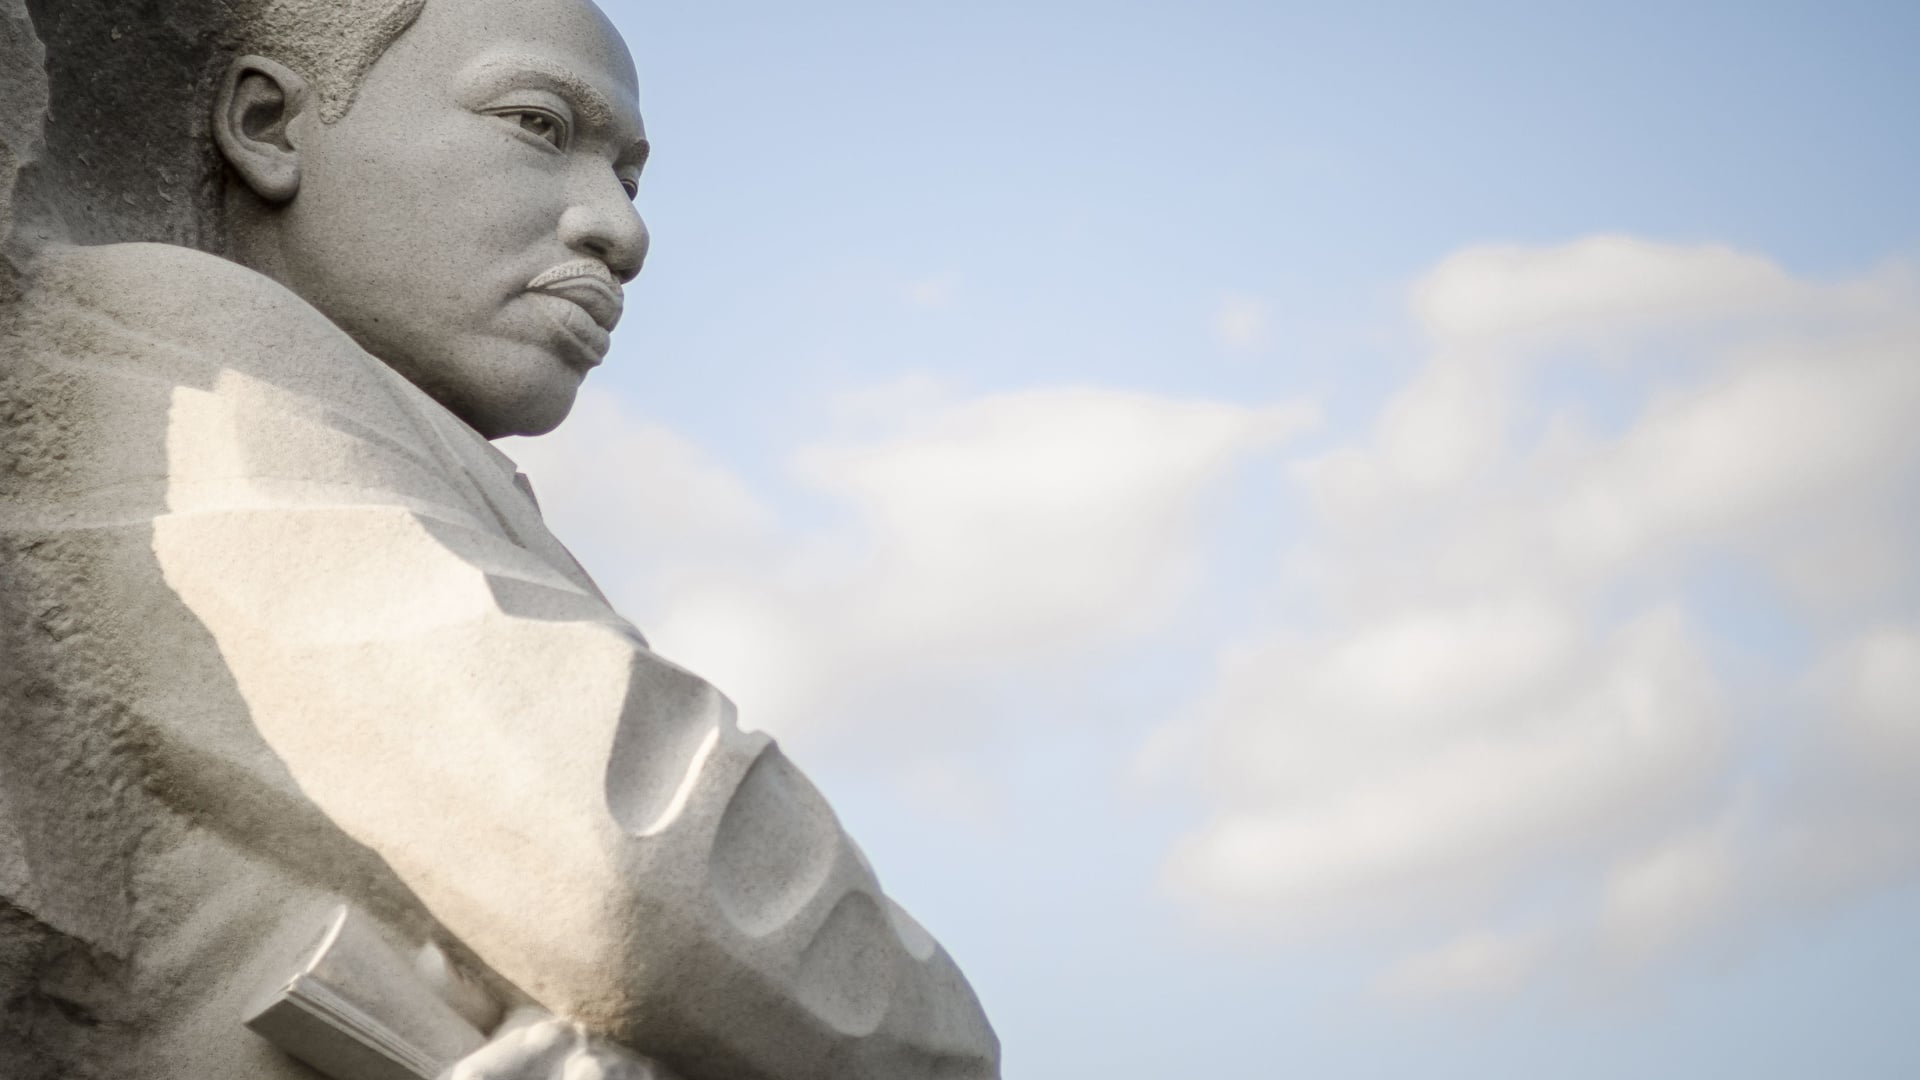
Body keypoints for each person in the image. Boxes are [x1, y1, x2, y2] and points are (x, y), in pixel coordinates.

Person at [0, 0, 998, 1077]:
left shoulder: (390, 428)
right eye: (539, 126)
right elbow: (632, 869)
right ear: (269, 126)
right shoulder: (187, 340)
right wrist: (948, 1043)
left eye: (630, 180)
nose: (622, 232)